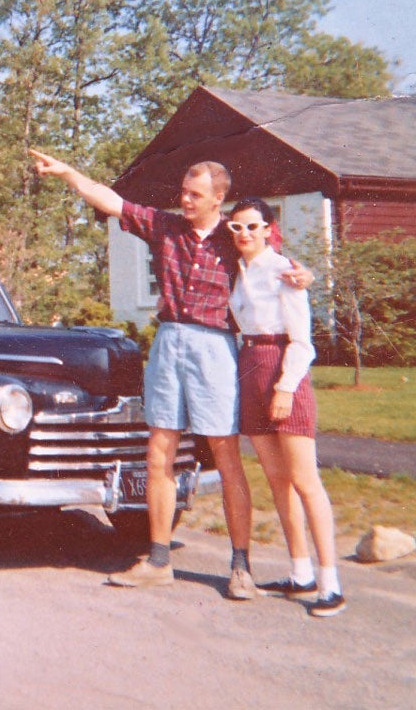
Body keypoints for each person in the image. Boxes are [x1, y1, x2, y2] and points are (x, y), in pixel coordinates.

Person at [29, 149, 311, 599]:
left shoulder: (234, 236)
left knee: (224, 454)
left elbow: (277, 264)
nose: (186, 200)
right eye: (183, 192)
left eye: (196, 194)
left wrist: (304, 274)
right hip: (168, 344)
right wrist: (68, 173)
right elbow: (110, 200)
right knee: (159, 450)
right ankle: (158, 560)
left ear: (219, 199)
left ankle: (241, 567)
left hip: (215, 346)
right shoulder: (165, 228)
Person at [227, 197, 345, 617]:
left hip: (282, 369)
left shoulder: (283, 270)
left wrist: (284, 388)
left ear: (269, 228)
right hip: (250, 368)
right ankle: (300, 574)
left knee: (304, 480)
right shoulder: (238, 270)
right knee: (277, 480)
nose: (244, 234)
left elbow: (302, 340)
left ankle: (330, 584)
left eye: (253, 226)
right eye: (236, 227)